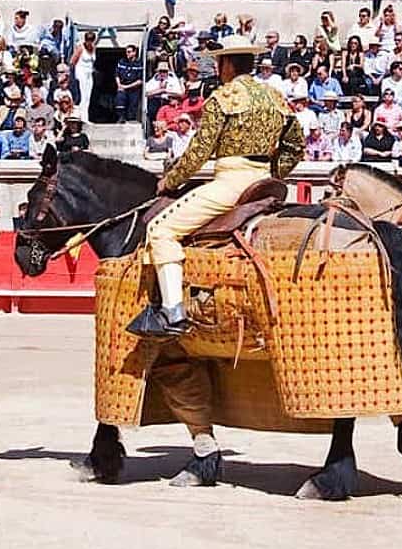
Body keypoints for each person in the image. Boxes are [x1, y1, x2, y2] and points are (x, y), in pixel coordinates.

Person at [127, 35, 305, 339]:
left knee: (160, 230)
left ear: (228, 64)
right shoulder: (276, 97)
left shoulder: (223, 98)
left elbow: (198, 152)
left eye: (219, 61)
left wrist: (169, 180)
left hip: (231, 182)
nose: (217, 67)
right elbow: (295, 146)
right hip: (264, 181)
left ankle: (172, 312)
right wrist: (275, 174)